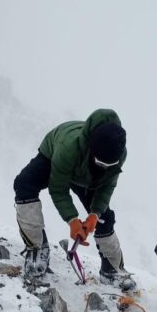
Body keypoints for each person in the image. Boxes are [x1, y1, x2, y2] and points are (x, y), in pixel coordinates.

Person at [13, 109, 134, 288]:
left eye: (109, 165)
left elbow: (107, 186)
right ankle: (37, 247)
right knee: (24, 184)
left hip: (87, 175)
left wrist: (95, 214)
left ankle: (112, 269)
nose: (105, 168)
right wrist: (72, 220)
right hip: (55, 155)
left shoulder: (118, 152)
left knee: (104, 218)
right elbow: (58, 189)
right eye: (101, 163)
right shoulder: (68, 148)